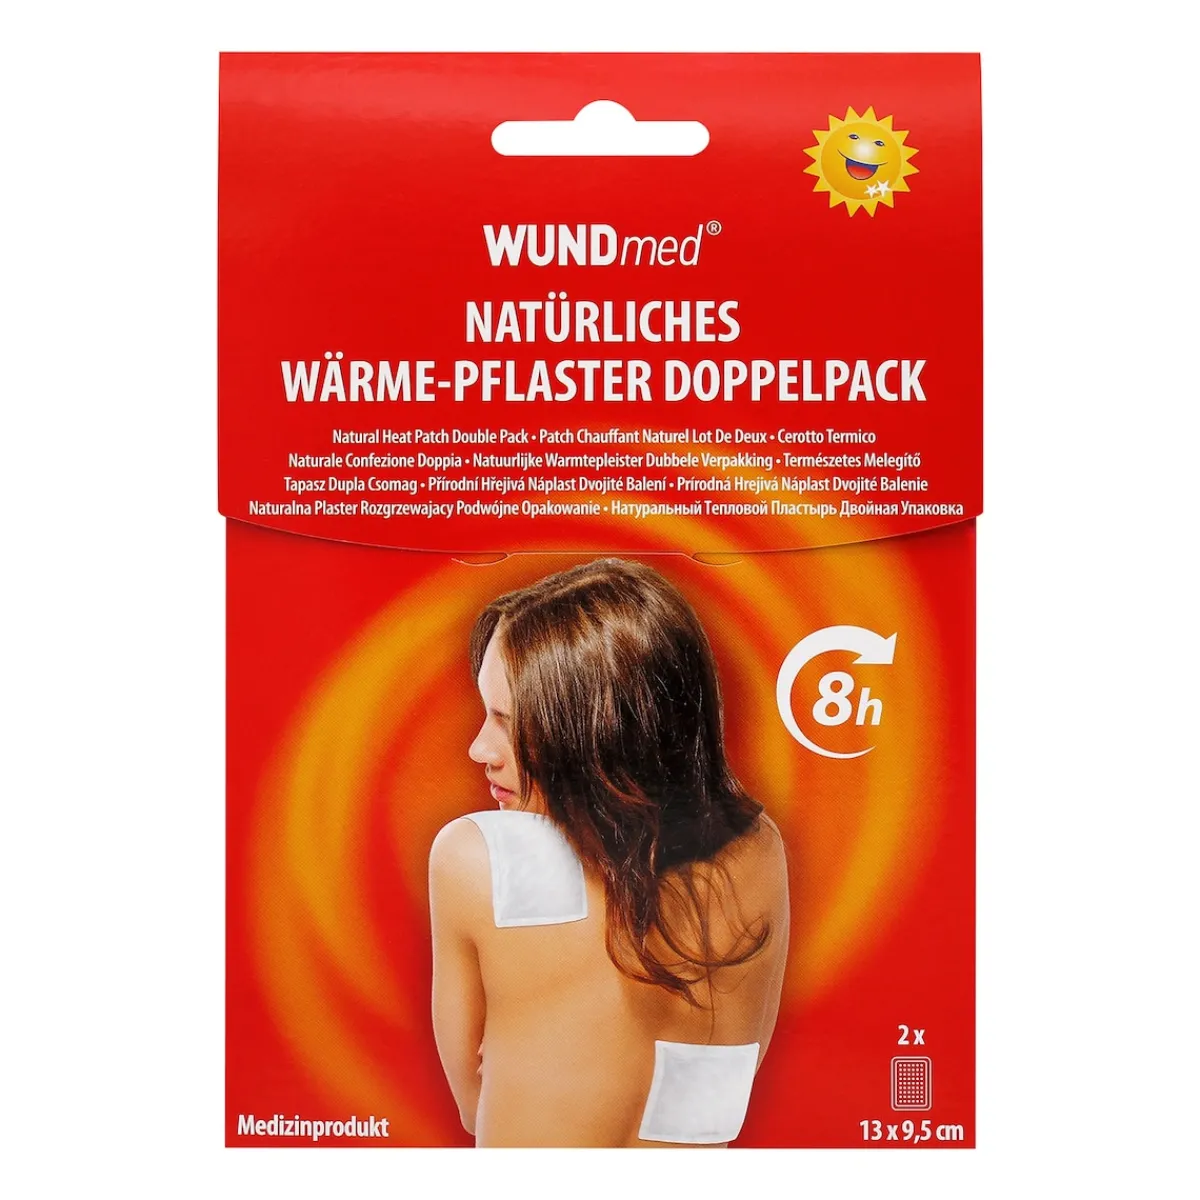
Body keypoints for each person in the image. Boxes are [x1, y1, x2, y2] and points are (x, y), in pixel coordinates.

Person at [428, 559, 789, 1148]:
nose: (480, 749)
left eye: (506, 721)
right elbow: (727, 1082)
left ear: (597, 733)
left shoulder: (474, 859)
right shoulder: (758, 848)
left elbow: (475, 1109)